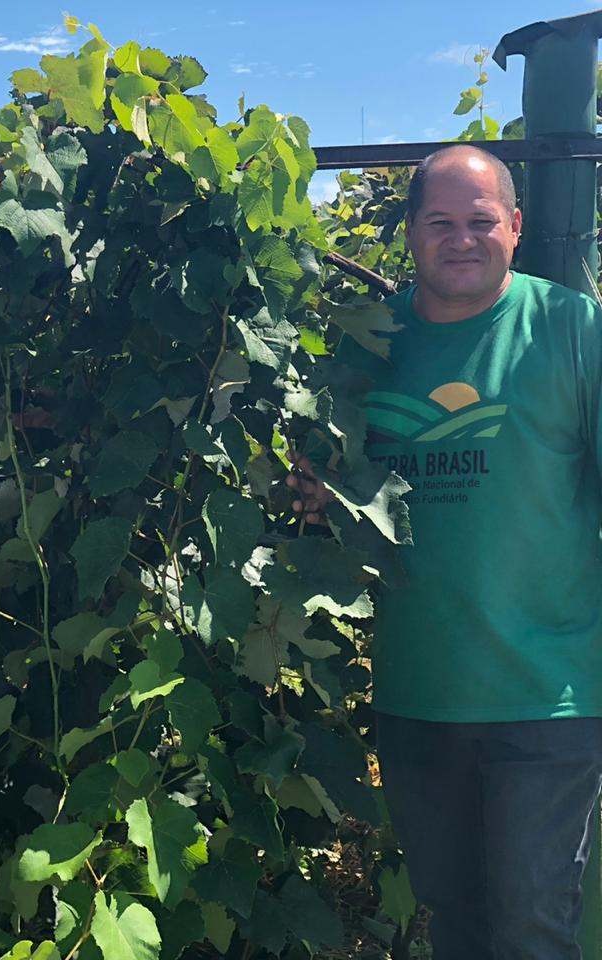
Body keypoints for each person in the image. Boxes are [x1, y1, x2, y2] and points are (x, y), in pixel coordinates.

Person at [288, 144, 602, 958]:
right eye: (441, 223)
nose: (462, 239)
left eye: (480, 221)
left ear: (516, 227)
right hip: (418, 695)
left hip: (548, 699)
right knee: (456, 925)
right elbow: (331, 486)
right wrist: (313, 497)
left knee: (534, 926)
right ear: (410, 232)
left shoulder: (571, 330)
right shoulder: (371, 345)